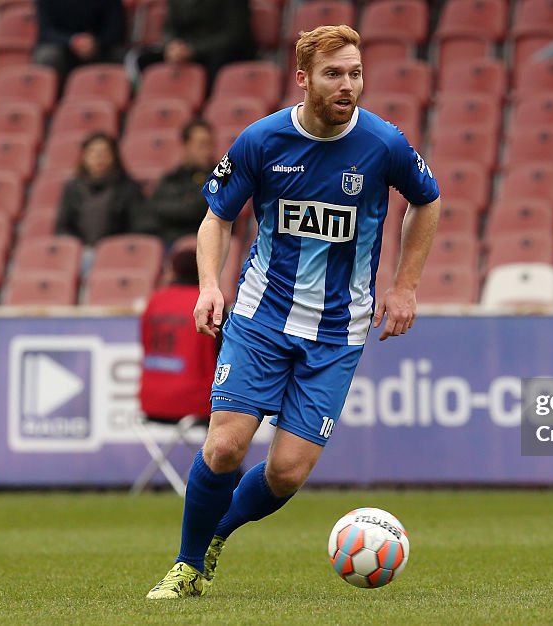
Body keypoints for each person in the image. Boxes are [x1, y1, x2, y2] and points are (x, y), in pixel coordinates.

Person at [145, 25, 441, 599]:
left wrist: (405, 287)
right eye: (334, 74)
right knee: (224, 447)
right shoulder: (261, 140)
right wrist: (209, 285)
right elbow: (217, 218)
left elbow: (427, 201)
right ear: (303, 78)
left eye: (355, 73)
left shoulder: (384, 143)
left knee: (285, 473)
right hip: (261, 316)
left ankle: (216, 533)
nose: (348, 85)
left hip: (338, 330)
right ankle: (185, 566)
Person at [140, 250, 220, 420]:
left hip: (150, 399)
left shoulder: (155, 300)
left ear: (173, 270)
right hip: (196, 401)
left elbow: (144, 342)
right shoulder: (207, 305)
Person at [56, 133, 146, 248]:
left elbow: (138, 226)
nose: (98, 157)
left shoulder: (128, 187)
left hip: (117, 250)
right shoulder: (72, 188)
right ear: (84, 157)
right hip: (80, 251)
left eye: (104, 152)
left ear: (114, 156)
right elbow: (63, 227)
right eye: (92, 152)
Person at [132, 0, 254, 83]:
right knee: (143, 59)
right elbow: (170, 27)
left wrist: (193, 49)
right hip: (184, 48)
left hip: (217, 49)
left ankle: (209, 105)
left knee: (218, 60)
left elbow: (235, 34)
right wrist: (172, 46)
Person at [142, 120, 217, 247]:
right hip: (166, 240)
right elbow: (153, 208)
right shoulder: (172, 177)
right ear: (186, 145)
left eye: (210, 144)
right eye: (201, 145)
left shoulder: (218, 177)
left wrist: (174, 210)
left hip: (201, 242)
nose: (207, 150)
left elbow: (196, 209)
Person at [33, 0, 126, 84]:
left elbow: (116, 30)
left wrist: (96, 43)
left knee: (123, 55)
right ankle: (56, 97)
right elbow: (46, 31)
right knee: (48, 55)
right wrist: (73, 40)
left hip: (100, 47)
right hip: (64, 46)